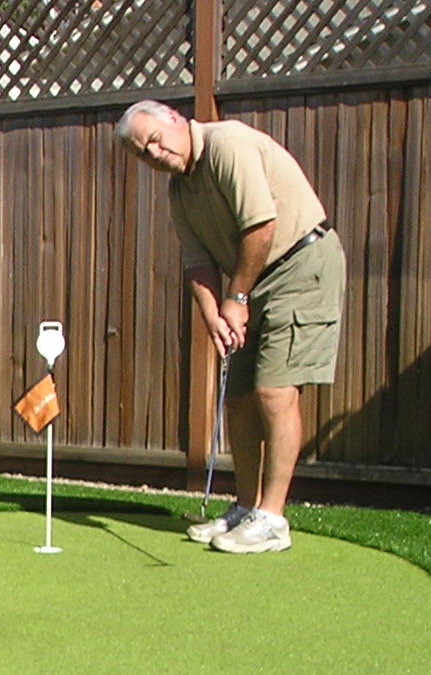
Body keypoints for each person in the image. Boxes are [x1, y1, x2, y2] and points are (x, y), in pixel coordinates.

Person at [115, 100, 344, 554]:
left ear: (176, 121)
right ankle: (245, 508)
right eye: (144, 154)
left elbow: (260, 225)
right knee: (239, 396)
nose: (156, 156)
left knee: (274, 392)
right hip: (252, 281)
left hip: (300, 264)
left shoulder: (228, 146)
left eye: (156, 142)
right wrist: (213, 316)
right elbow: (197, 261)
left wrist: (236, 297)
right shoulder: (180, 191)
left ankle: (272, 519)